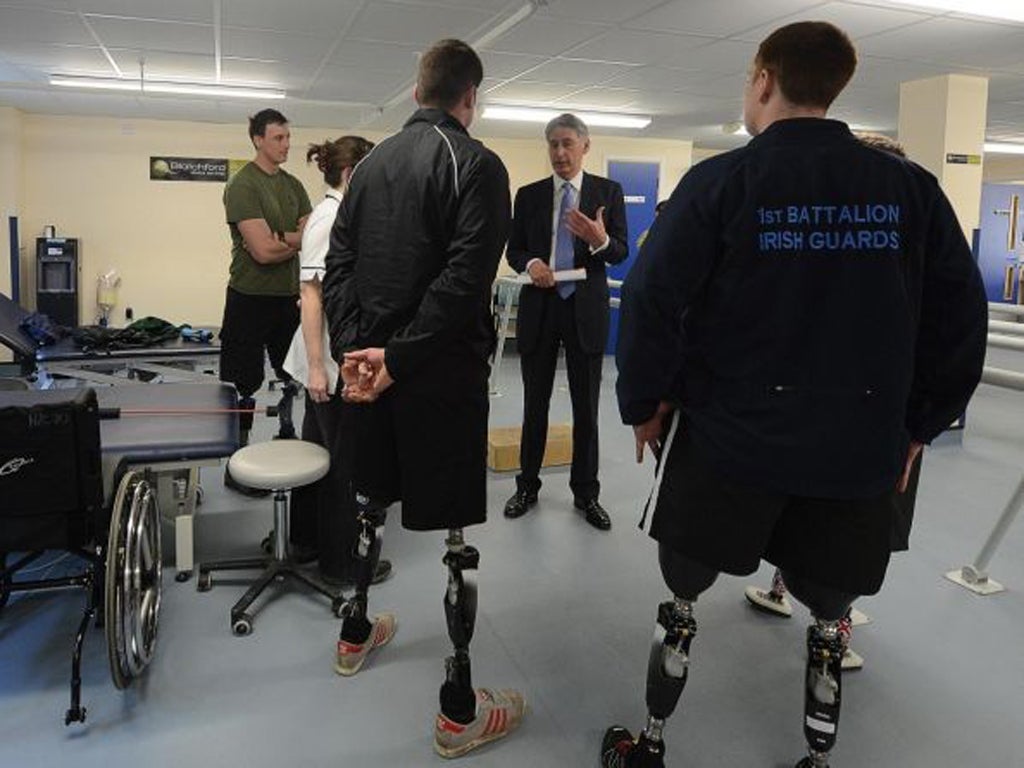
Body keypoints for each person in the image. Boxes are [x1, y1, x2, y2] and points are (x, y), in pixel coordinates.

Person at [603, 20, 987, 768]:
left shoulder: (721, 182)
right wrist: (919, 425)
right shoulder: (909, 190)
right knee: (830, 607)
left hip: (727, 440)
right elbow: (958, 318)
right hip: (854, 449)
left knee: (684, 590)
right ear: (836, 86)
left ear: (762, 80)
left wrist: (643, 402)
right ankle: (818, 756)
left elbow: (651, 298)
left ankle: (649, 744)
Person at [321, 38, 524, 758]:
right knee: (452, 542)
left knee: (369, 502)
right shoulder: (477, 164)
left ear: (416, 92)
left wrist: (358, 352)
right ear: (472, 98)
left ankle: (354, 633)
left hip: (369, 378)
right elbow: (468, 280)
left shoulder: (368, 165)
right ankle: (458, 707)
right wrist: (398, 358)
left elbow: (335, 265)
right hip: (436, 382)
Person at [743, 131, 916, 672]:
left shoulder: (907, 247)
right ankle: (787, 583)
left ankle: (835, 618)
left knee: (859, 519)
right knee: (807, 502)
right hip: (816, 406)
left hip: (879, 413)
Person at [503, 113, 628, 531]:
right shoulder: (529, 195)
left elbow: (620, 252)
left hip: (584, 312)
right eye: (553, 144)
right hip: (540, 308)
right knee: (533, 406)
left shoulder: (607, 192)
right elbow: (514, 249)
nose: (560, 152)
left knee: (586, 411)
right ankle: (527, 486)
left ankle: (586, 494)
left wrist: (600, 239)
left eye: (567, 144)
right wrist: (534, 261)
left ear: (585, 146)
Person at [282, 135, 392, 586]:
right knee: (344, 464)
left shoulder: (336, 214)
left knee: (318, 455)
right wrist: (315, 368)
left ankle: (306, 541)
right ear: (351, 175)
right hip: (323, 360)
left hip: (322, 359)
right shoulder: (331, 218)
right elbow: (311, 296)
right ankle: (341, 562)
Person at [220, 108, 311, 494]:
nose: (286, 144)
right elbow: (261, 252)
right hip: (249, 297)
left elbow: (310, 235)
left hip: (288, 298)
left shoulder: (292, 184)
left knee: (293, 375)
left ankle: (287, 436)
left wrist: (283, 239)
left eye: (288, 137)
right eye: (278, 138)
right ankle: (236, 461)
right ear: (258, 139)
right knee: (243, 382)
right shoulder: (242, 185)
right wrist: (292, 241)